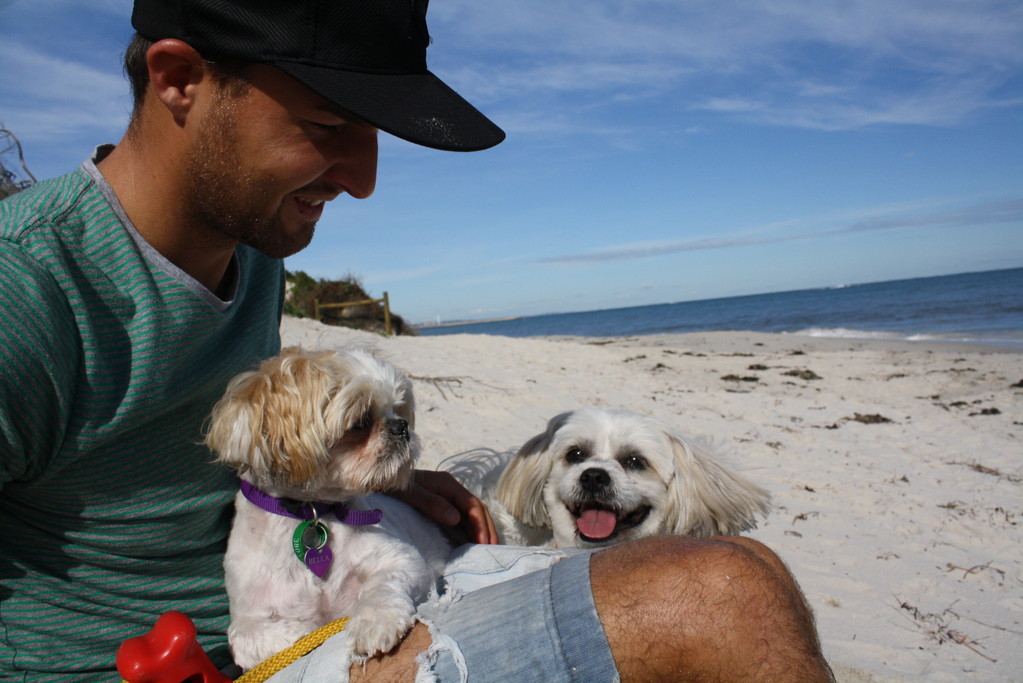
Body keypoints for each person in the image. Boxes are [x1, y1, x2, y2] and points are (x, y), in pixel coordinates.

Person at [0, 0, 834, 680]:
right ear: (179, 79)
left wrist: (371, 475)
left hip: (307, 588)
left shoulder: (247, 247)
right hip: (205, 659)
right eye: (329, 125)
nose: (363, 178)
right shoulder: (23, 288)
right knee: (729, 590)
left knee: (486, 482)